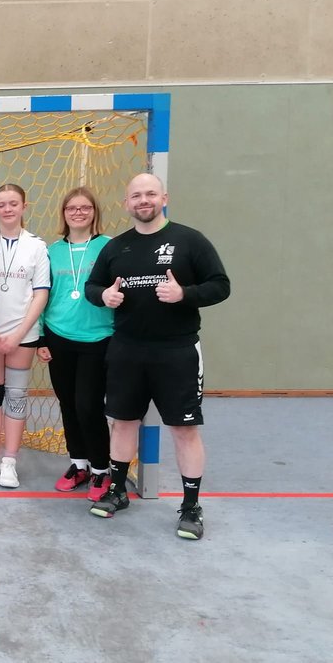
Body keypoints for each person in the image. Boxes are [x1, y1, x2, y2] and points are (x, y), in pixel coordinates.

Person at [85, 173, 230, 540]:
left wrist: (185, 295)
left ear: (164, 198)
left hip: (176, 351)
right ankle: (117, 490)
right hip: (127, 349)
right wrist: (103, 296)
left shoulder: (190, 240)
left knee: (183, 429)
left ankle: (191, 506)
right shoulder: (116, 247)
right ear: (126, 203)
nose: (143, 200)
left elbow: (220, 285)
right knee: (122, 422)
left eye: (150, 193)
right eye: (136, 195)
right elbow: (92, 286)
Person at [36, 187, 113, 501]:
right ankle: (78, 464)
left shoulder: (108, 247)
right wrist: (41, 336)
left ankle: (101, 469)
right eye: (72, 208)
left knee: (88, 405)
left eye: (85, 208)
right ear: (64, 213)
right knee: (67, 402)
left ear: (94, 212)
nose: (78, 213)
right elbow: (41, 295)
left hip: (98, 337)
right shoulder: (52, 251)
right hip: (58, 336)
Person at [0, 184, 50, 489]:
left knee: (17, 397)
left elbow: (41, 293)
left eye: (13, 203)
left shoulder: (37, 246)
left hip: (24, 334)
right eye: (2, 204)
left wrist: (19, 334)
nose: (8, 209)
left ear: (24, 207)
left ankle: (9, 462)